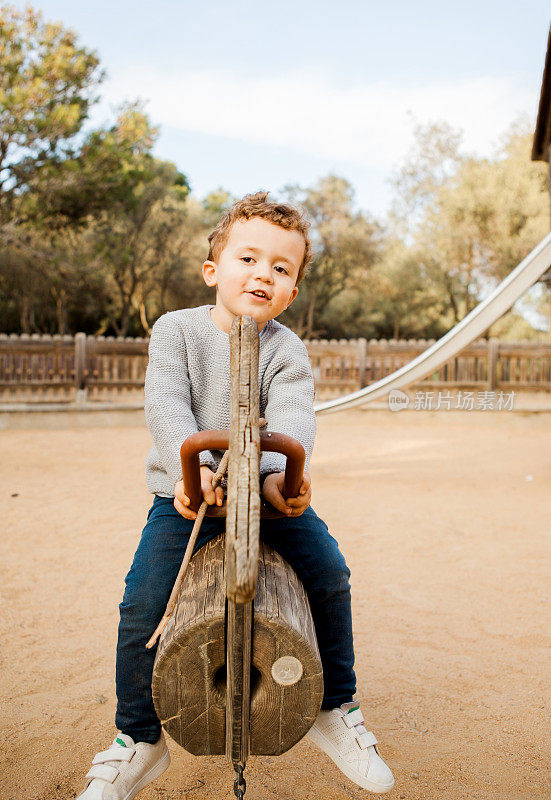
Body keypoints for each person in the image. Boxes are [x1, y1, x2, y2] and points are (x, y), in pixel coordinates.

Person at [77, 192, 395, 799]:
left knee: (329, 572)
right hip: (187, 498)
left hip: (264, 497)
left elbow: (295, 421)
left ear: (292, 291)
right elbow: (166, 408)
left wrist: (278, 475)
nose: (262, 274)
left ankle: (335, 707)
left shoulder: (286, 349)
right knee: (143, 602)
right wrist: (191, 470)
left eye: (281, 268)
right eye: (248, 258)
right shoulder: (175, 332)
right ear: (213, 271)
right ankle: (138, 738)